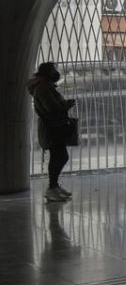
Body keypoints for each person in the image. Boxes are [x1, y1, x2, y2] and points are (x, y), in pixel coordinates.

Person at [28, 61, 76, 202]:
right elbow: (51, 107)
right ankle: (52, 188)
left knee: (59, 156)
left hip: (52, 126)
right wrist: (66, 105)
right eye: (54, 69)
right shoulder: (43, 87)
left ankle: (54, 187)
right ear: (48, 72)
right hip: (52, 127)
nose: (56, 72)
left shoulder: (44, 86)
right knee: (60, 156)